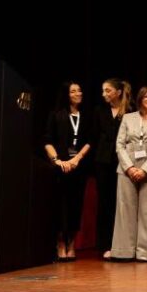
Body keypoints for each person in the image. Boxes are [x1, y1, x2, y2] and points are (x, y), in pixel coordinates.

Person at [111, 86, 147, 262]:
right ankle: (123, 251)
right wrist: (129, 168)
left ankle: (146, 253)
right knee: (125, 211)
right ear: (140, 99)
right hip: (126, 170)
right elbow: (119, 145)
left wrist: (144, 170)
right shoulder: (128, 118)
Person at [43, 81, 92, 262]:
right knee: (60, 205)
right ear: (66, 95)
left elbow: (90, 141)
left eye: (80, 90)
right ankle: (60, 243)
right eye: (73, 91)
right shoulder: (56, 115)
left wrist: (76, 159)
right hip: (60, 168)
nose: (78, 93)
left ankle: (71, 242)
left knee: (76, 205)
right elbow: (47, 140)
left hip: (79, 167)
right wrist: (57, 161)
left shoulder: (85, 115)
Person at [92, 78, 132, 260]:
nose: (104, 94)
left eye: (107, 90)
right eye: (103, 91)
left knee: (122, 203)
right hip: (103, 162)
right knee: (105, 203)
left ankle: (123, 244)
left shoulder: (130, 111)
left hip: (123, 162)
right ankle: (106, 244)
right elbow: (94, 136)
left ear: (118, 92)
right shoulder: (99, 111)